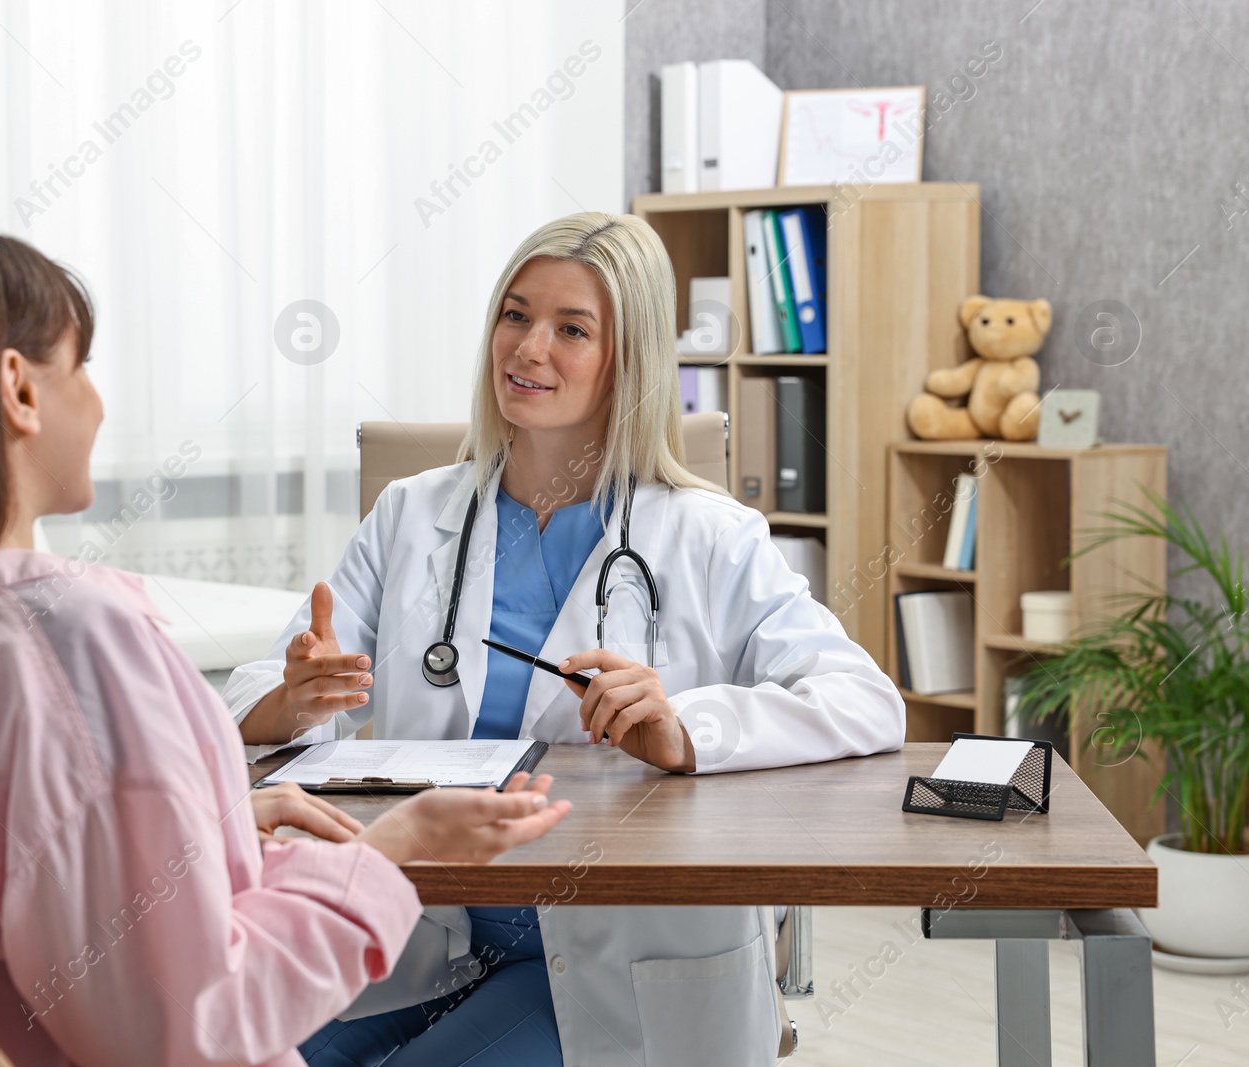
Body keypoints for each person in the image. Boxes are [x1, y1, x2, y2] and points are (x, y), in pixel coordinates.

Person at [0, 231, 570, 1067]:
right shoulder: (70, 644)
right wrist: (395, 848)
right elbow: (189, 1029)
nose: (99, 403)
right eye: (81, 364)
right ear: (18, 388)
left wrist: (200, 829)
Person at [225, 212, 907, 1067]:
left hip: (617, 966)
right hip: (424, 931)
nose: (528, 347)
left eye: (571, 329)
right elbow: (272, 681)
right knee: (225, 1051)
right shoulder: (411, 515)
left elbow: (863, 698)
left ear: (632, 360)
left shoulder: (711, 537)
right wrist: (290, 700)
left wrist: (686, 727)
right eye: (515, 315)